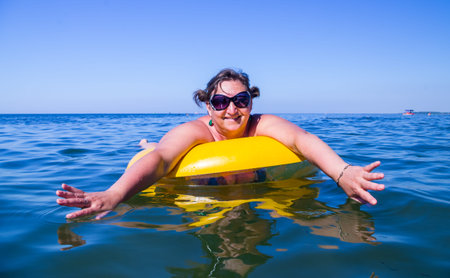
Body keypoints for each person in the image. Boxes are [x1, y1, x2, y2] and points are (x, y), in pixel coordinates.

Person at [56, 68, 385, 219]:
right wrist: (115, 195)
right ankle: (144, 140)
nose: (232, 109)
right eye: (221, 101)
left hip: (252, 183)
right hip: (196, 180)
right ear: (208, 106)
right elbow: (162, 159)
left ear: (251, 103)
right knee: (153, 148)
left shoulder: (262, 125)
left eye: (241, 100)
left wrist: (343, 173)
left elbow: (303, 140)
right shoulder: (197, 131)